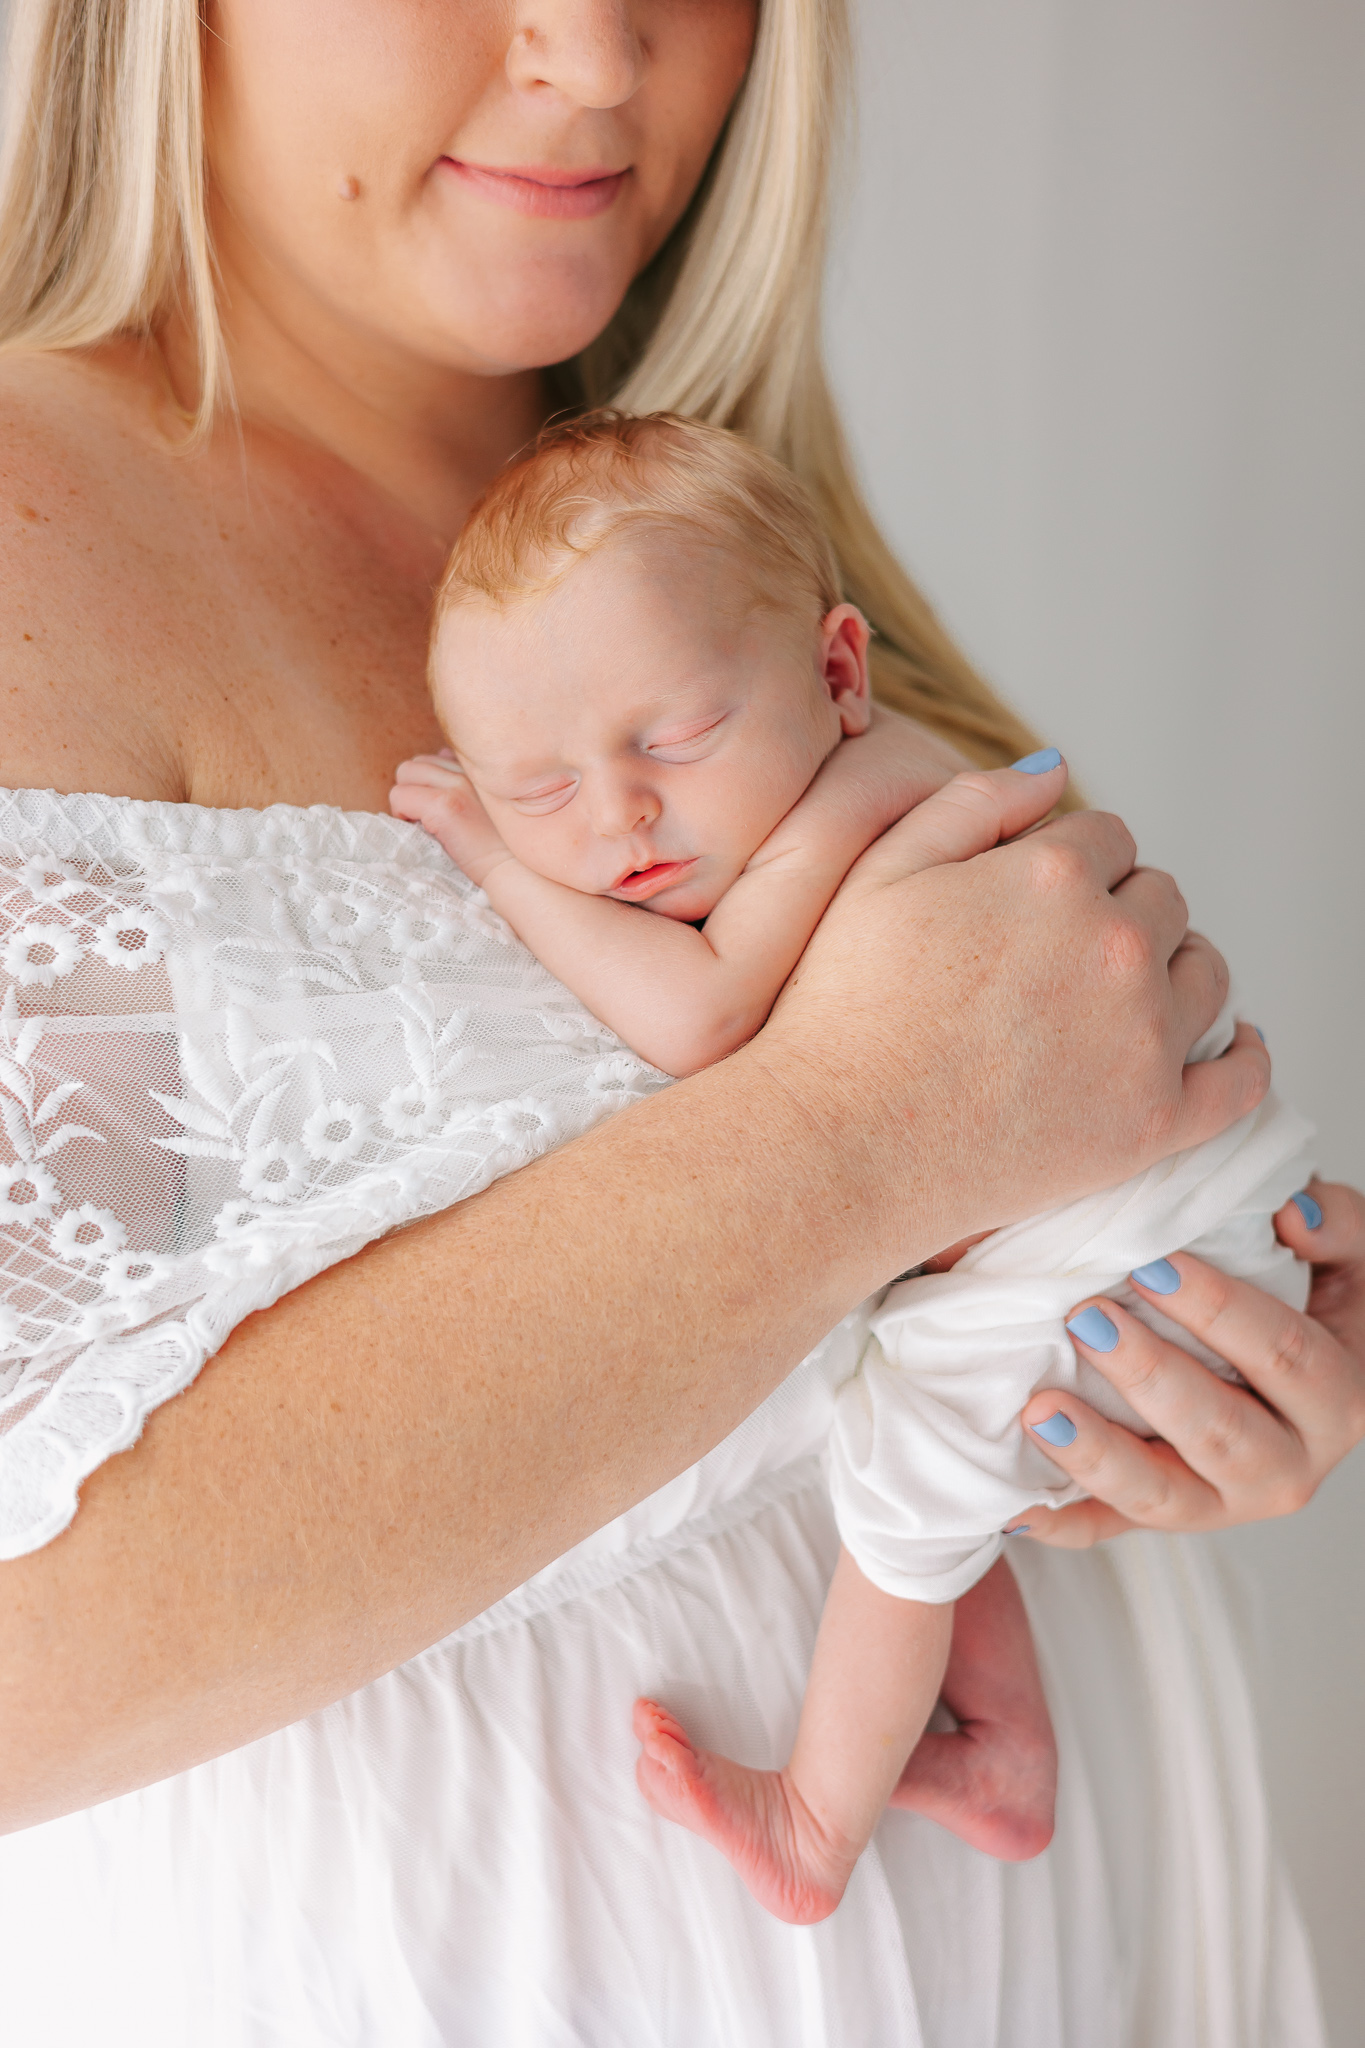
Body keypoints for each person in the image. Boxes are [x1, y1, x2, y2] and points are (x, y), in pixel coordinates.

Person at [0, 3, 1360, 2041]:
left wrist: (1168, 1381)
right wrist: (856, 1135)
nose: (596, 49)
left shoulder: (700, 526)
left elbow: (914, 1317)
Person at [393, 407, 1318, 1923]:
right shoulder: (848, 773)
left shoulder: (849, 797)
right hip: (1173, 1215)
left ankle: (813, 1830)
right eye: (536, 790)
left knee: (904, 1500)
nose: (618, 814)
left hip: (1137, 1249)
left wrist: (497, 859)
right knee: (915, 1415)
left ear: (834, 672)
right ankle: (999, 1748)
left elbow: (697, 1020)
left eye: (670, 737)